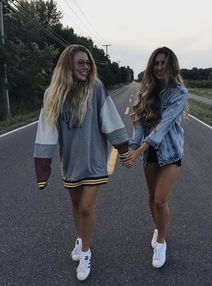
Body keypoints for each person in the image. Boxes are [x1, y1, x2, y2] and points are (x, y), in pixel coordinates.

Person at [34, 44, 130, 281]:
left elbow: (110, 117)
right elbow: (46, 131)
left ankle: (86, 252)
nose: (86, 67)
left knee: (86, 207)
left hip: (94, 160)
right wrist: (43, 167)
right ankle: (81, 239)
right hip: (71, 164)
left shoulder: (95, 88)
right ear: (68, 65)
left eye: (88, 63)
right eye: (81, 63)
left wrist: (123, 148)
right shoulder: (52, 94)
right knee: (76, 206)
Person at [122, 47, 188, 268]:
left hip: (170, 153)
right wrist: (133, 147)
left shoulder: (180, 93)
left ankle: (160, 241)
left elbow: (162, 127)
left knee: (160, 199)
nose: (159, 67)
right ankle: (159, 228)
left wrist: (137, 151)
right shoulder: (146, 91)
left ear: (171, 66)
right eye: (156, 63)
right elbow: (140, 124)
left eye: (163, 63)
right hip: (150, 153)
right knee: (152, 197)